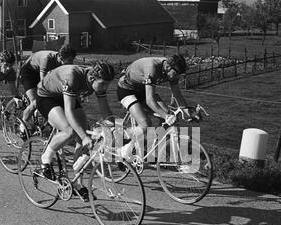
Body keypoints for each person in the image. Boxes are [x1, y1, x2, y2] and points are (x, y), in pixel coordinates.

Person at [36, 61, 116, 201]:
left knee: (83, 140)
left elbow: (105, 111)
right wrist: (84, 136)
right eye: (103, 84)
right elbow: (69, 112)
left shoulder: (97, 83)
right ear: (92, 79)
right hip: (47, 96)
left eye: (107, 85)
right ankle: (45, 159)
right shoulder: (73, 76)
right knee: (71, 131)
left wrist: (111, 129)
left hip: (68, 95)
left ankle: (78, 185)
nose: (104, 88)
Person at [117, 54, 199, 159]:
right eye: (177, 73)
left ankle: (153, 147)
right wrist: (166, 117)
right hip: (127, 89)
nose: (177, 77)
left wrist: (187, 112)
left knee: (166, 112)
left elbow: (177, 93)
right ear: (168, 67)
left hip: (143, 89)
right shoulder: (152, 68)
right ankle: (124, 150)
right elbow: (150, 100)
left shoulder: (172, 71)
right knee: (146, 123)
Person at [19, 44, 77, 128]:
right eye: (69, 60)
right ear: (61, 58)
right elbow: (43, 84)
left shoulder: (62, 62)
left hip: (41, 72)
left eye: (72, 60)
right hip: (29, 73)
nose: (71, 63)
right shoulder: (47, 59)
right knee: (35, 101)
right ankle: (23, 125)